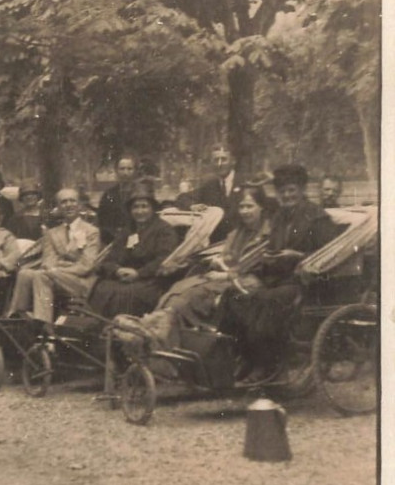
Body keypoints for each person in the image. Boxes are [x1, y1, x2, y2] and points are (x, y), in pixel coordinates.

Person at [221, 164, 339, 382]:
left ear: (302, 190)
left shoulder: (316, 217)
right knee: (233, 295)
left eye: (292, 190)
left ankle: (266, 364)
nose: (287, 195)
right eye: (283, 191)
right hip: (277, 276)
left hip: (305, 281)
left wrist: (297, 255)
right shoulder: (279, 217)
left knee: (265, 300)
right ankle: (246, 357)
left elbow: (328, 255)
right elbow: (273, 247)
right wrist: (269, 257)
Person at [123, 184, 273, 351]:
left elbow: (255, 265)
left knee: (184, 302)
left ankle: (166, 343)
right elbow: (226, 257)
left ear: (262, 207)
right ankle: (161, 338)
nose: (245, 211)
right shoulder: (237, 233)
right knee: (177, 290)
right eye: (242, 206)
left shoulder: (268, 234)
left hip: (245, 282)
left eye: (250, 206)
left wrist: (226, 274)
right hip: (221, 278)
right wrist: (217, 262)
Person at [7, 187, 101, 325]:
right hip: (55, 277)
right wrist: (57, 269)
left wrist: (58, 269)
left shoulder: (91, 231)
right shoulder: (52, 233)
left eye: (72, 201)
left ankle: (43, 326)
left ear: (79, 205)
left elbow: (86, 266)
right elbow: (48, 262)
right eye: (63, 202)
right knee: (24, 273)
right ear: (58, 207)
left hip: (80, 282)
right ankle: (15, 318)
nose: (68, 205)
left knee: (41, 275)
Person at [87, 180, 178, 319]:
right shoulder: (127, 231)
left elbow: (164, 260)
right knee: (101, 289)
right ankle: (99, 331)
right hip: (122, 278)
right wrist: (117, 270)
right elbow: (110, 258)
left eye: (144, 206)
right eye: (135, 207)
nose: (140, 211)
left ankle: (123, 331)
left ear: (152, 208)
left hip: (150, 281)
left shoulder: (164, 230)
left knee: (124, 295)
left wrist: (138, 273)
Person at [176, 144, 243, 239]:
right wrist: (192, 206)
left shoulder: (245, 183)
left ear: (233, 161)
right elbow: (182, 198)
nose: (219, 164)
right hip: (216, 243)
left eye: (223, 159)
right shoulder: (210, 185)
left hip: (243, 241)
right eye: (216, 160)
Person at [96, 153, 140, 245]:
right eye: (122, 169)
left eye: (129, 169)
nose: (125, 173)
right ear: (116, 171)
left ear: (135, 171)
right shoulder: (108, 195)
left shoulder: (143, 193)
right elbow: (102, 222)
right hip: (114, 242)